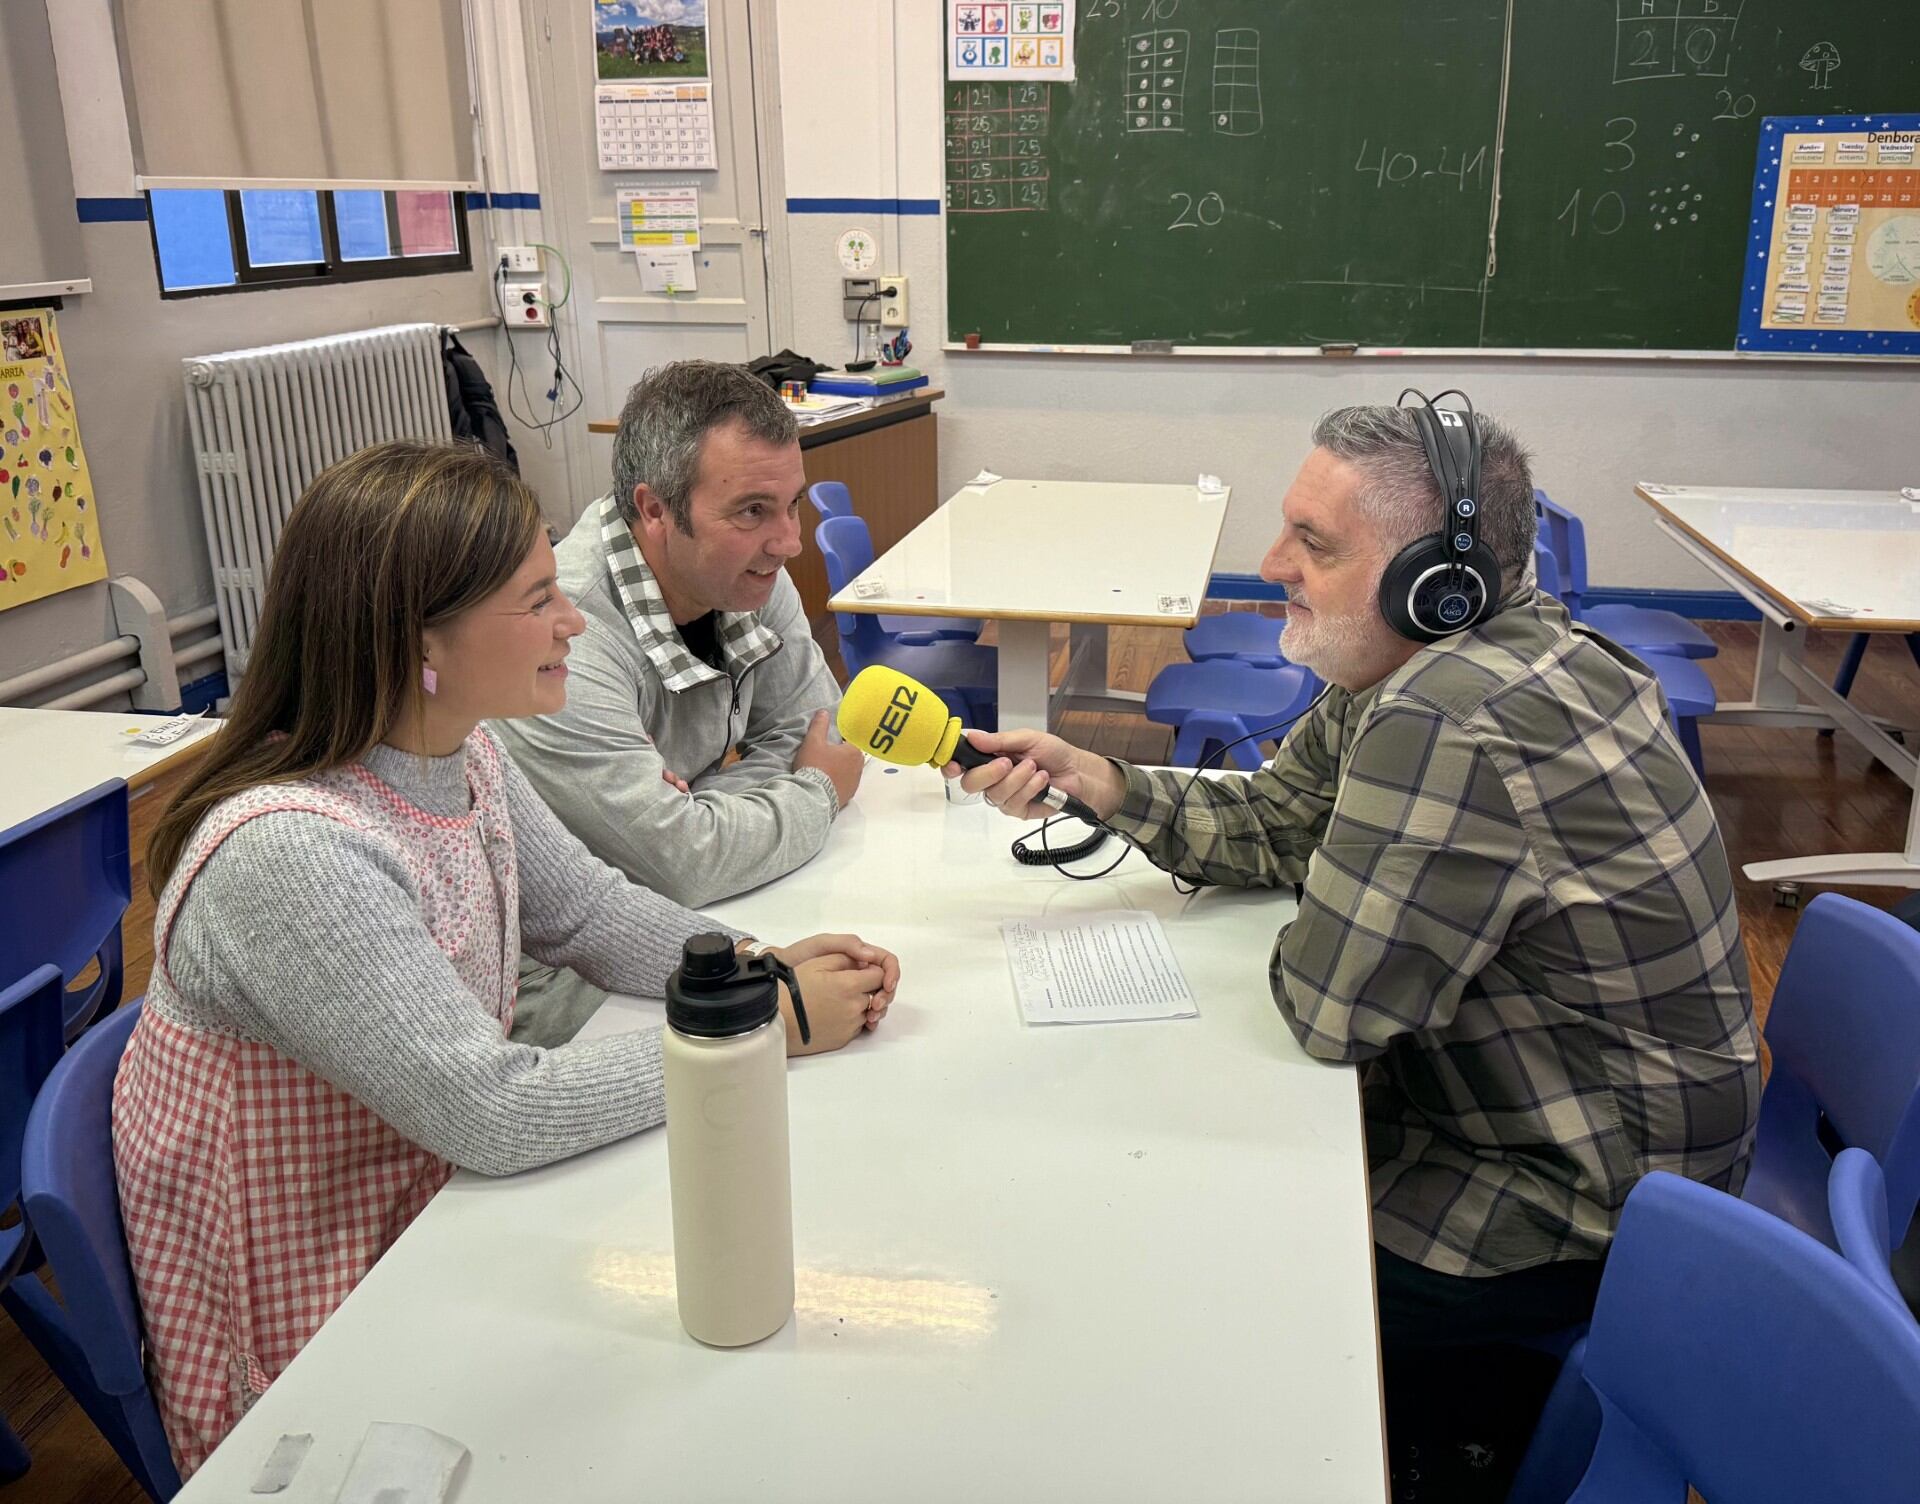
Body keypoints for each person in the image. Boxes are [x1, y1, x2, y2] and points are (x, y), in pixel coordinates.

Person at [952, 402, 1759, 1499]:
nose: (1273, 565)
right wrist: (1103, 780)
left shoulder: (1448, 710)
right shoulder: (1444, 654)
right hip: (1601, 1139)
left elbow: (1331, 1006)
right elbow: (1282, 817)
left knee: (1215, 1255)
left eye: (1315, 545)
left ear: (1439, 578)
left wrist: (1339, 886)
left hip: (1585, 1205)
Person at [115, 441, 899, 1478]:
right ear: (416, 640)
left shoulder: (461, 745)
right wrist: (762, 1022)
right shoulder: (293, 849)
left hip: (429, 1198)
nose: (574, 619)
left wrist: (746, 965)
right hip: (317, 1322)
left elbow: (587, 911)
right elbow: (493, 1111)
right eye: (538, 601)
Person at [494, 360, 862, 1046]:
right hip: (567, 995)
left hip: (692, 923)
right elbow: (683, 864)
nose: (788, 542)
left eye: (791, 505)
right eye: (753, 510)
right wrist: (814, 792)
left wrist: (700, 812)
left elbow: (817, 727)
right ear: (655, 509)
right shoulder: (565, 633)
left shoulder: (744, 567)